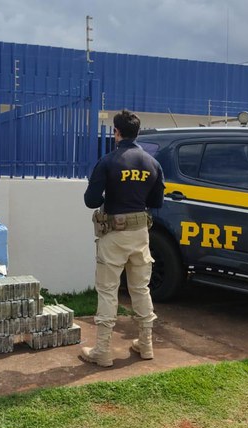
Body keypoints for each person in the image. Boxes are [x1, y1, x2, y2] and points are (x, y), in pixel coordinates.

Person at [80, 109, 165, 367]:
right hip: (140, 233)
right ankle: (146, 344)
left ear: (115, 132)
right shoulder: (153, 163)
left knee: (107, 290)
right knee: (140, 288)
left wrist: (109, 200)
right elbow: (157, 201)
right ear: (137, 132)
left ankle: (103, 351)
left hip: (114, 234)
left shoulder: (108, 161)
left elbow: (91, 200)